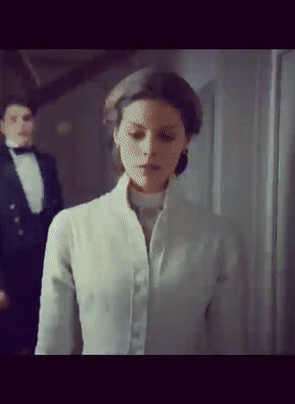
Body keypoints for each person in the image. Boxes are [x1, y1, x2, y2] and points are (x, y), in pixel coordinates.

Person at [35, 68, 247, 355]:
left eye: (166, 136)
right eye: (136, 134)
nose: (149, 149)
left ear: (186, 141)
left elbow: (230, 347)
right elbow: (52, 346)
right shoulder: (71, 228)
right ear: (116, 135)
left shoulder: (220, 238)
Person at [0, 95, 65, 355]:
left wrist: (64, 267)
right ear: (2, 126)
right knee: (7, 343)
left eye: (26, 118)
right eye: (13, 119)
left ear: (34, 123)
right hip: (8, 270)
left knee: (44, 340)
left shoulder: (48, 163)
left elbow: (59, 218)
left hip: (44, 266)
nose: (21, 125)